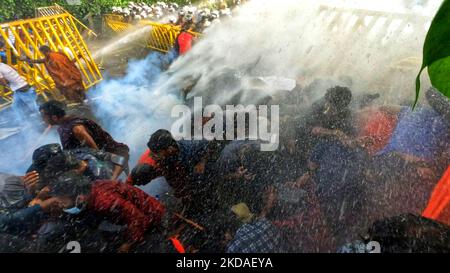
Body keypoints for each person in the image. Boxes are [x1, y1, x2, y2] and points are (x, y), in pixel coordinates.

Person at [39, 100, 129, 180]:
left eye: (43, 116)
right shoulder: (62, 126)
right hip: (91, 158)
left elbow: (97, 152)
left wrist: (110, 178)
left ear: (54, 117)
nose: (42, 119)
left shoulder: (76, 129)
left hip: (110, 156)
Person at [20, 45, 86, 104]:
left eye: (42, 53)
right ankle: (84, 100)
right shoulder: (55, 55)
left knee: (73, 92)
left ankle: (81, 102)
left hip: (67, 79)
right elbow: (41, 61)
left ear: (45, 51)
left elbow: (62, 69)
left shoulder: (53, 58)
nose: (43, 54)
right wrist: (26, 60)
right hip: (72, 76)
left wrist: (64, 81)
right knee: (79, 90)